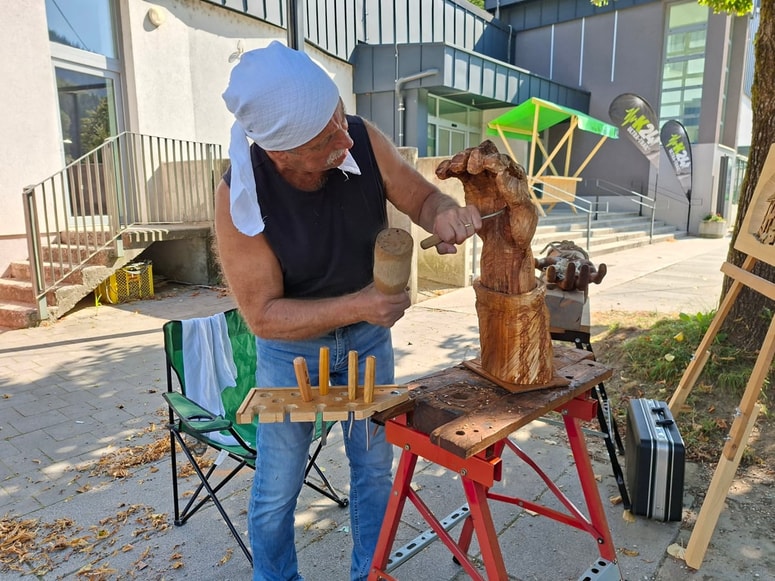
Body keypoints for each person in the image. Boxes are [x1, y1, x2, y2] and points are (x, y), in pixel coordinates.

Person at [215, 41, 481, 581]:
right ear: (280, 154)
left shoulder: (359, 135)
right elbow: (262, 316)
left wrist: (445, 215)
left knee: (372, 471)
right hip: (292, 353)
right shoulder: (241, 196)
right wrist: (363, 303)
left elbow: (423, 199)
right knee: (276, 485)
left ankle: (371, 573)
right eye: (324, 139)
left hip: (365, 342)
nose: (344, 137)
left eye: (338, 114)